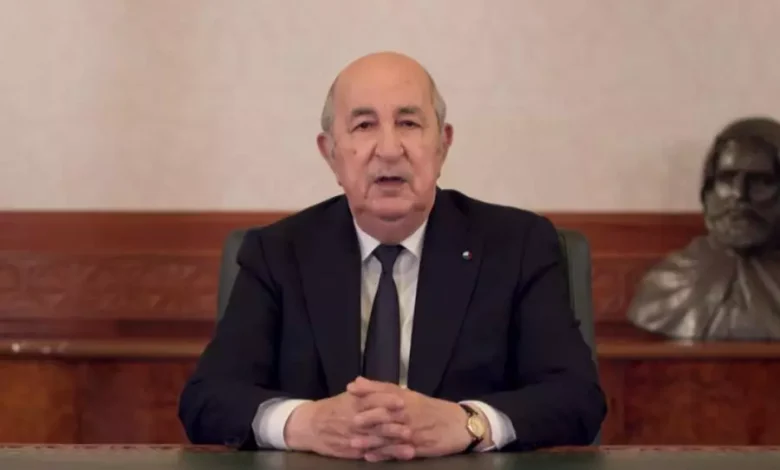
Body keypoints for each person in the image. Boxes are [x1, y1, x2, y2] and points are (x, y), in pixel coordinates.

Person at [178, 51, 606, 461]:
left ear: (443, 145)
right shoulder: (278, 253)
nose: (388, 148)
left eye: (408, 123)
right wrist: (306, 423)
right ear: (330, 153)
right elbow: (208, 398)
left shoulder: (518, 245)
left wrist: (468, 423)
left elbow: (576, 397)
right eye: (364, 125)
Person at [627, 116, 780, 340]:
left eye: (762, 182)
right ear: (707, 191)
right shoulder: (669, 282)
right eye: (726, 179)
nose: (739, 195)